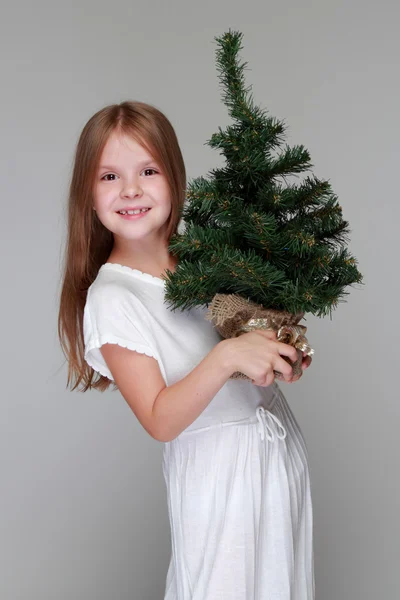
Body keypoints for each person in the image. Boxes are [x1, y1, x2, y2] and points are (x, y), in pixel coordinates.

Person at [58, 100, 315, 599]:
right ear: (88, 196)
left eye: (147, 171)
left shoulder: (200, 263)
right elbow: (160, 419)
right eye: (109, 176)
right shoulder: (113, 297)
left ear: (174, 179)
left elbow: (244, 339)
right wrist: (227, 358)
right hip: (220, 479)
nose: (130, 189)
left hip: (274, 455)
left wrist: (278, 350)